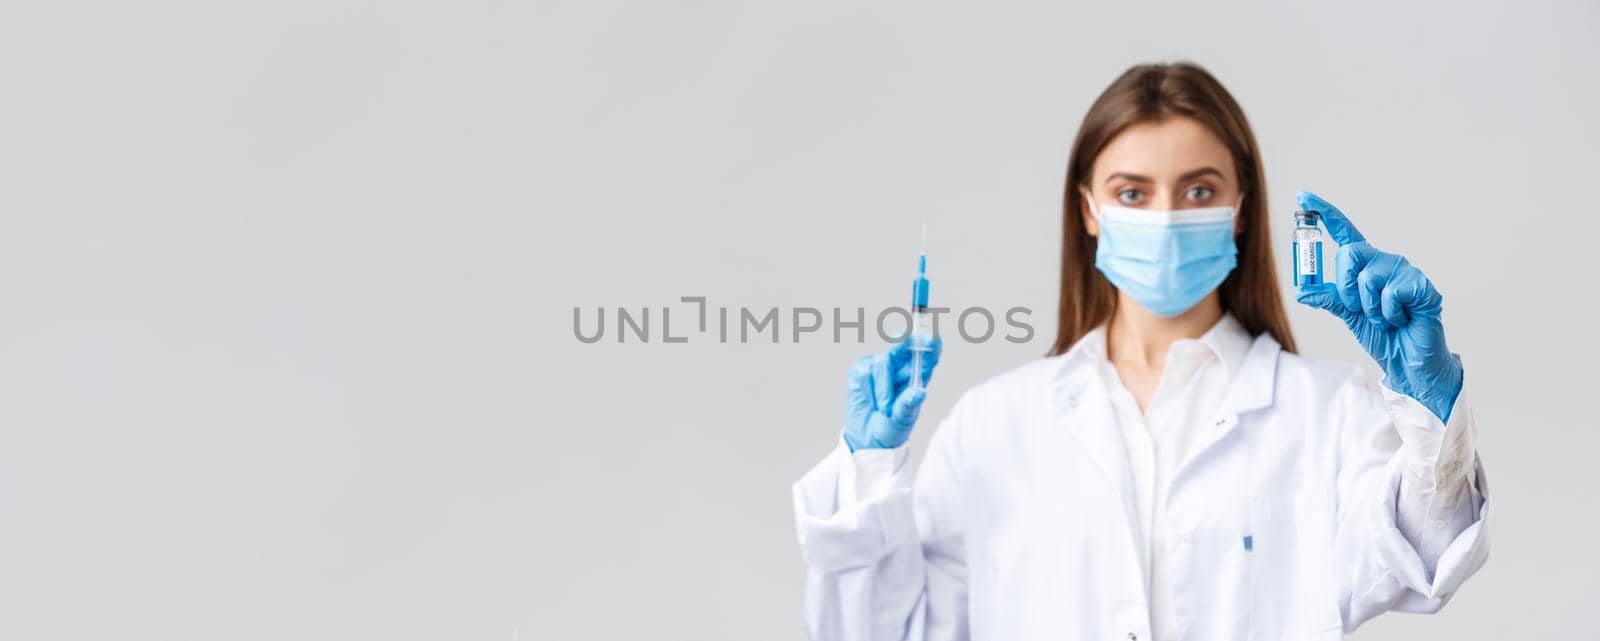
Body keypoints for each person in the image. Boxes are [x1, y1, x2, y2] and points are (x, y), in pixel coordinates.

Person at [790, 62, 1488, 641]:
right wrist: (869, 472)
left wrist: (1427, 400)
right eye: (1133, 191)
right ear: (1090, 210)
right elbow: (896, 632)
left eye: (1199, 190)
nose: (1166, 218)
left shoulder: (1325, 411)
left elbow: (1423, 553)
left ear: (1241, 206)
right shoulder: (994, 425)